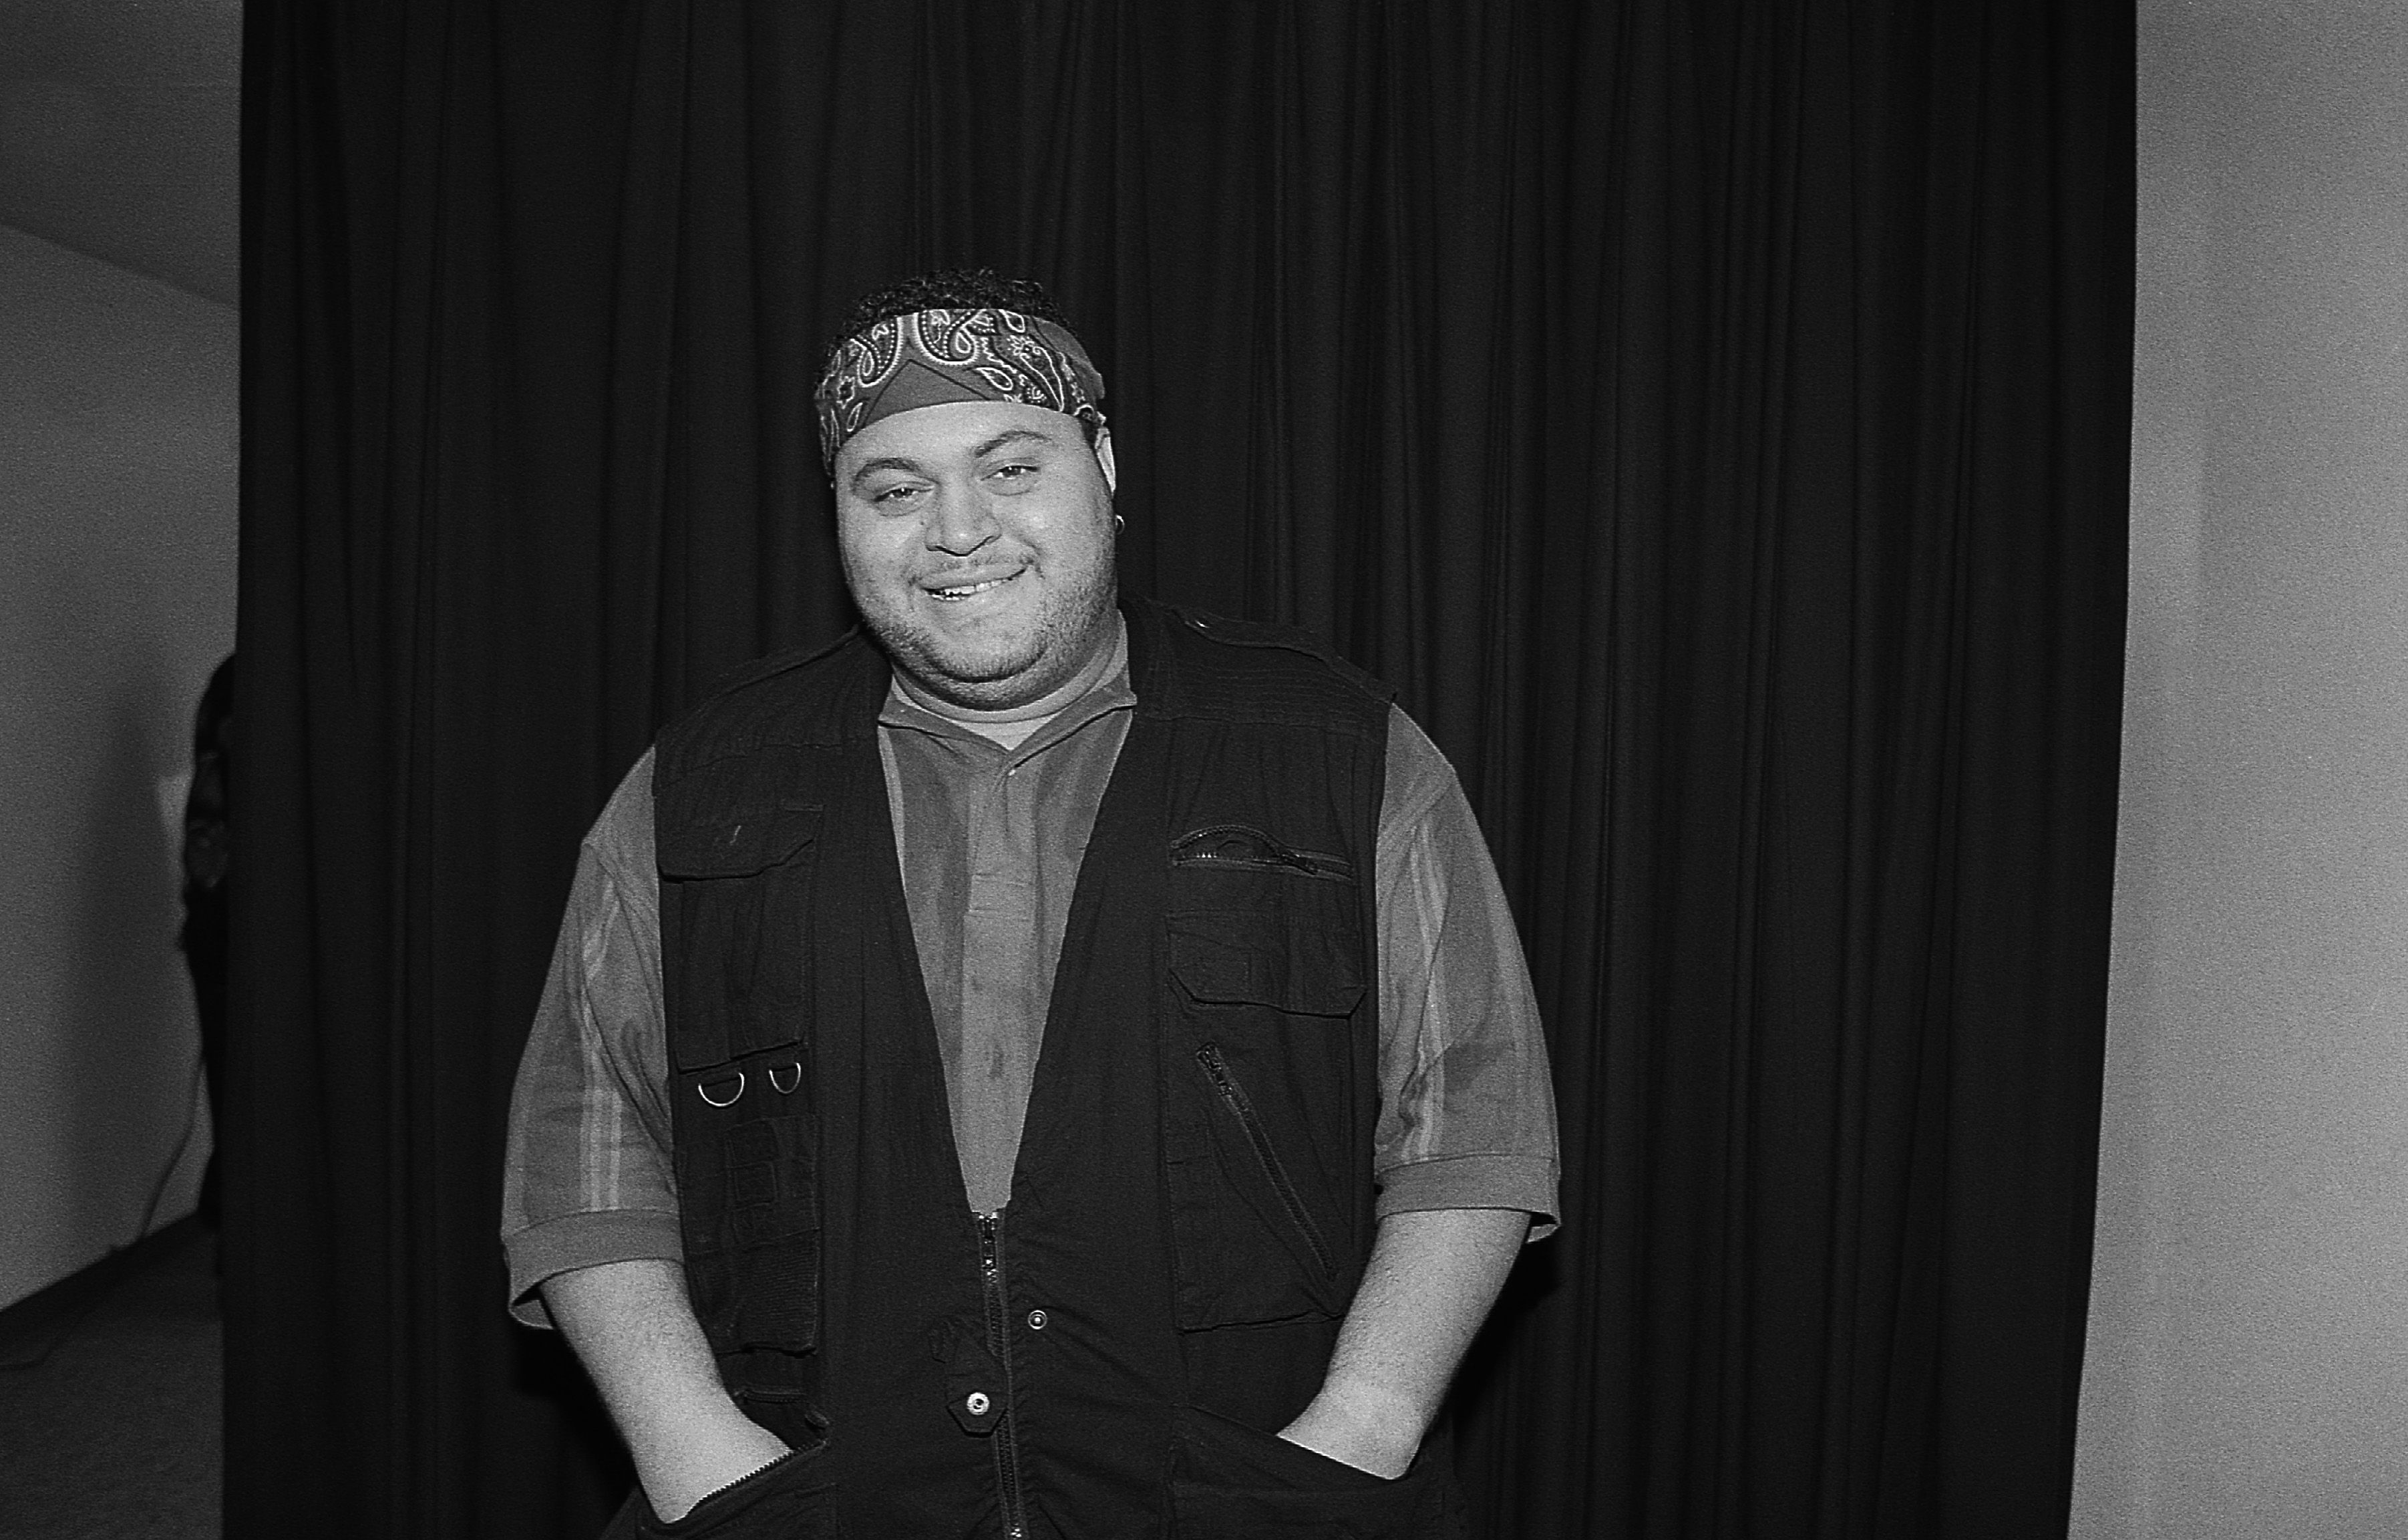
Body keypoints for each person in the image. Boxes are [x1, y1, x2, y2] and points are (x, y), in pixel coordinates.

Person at [501, 271, 1559, 1538]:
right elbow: (582, 1147)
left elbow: (1475, 1122)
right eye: (893, 487)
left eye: (1010, 467)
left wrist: (1357, 1433)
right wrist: (700, 1461)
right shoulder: (695, 782)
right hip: (818, 1504)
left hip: (1249, 1499)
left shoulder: (1339, 749)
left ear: (1102, 465)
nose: (957, 530)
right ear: (837, 512)